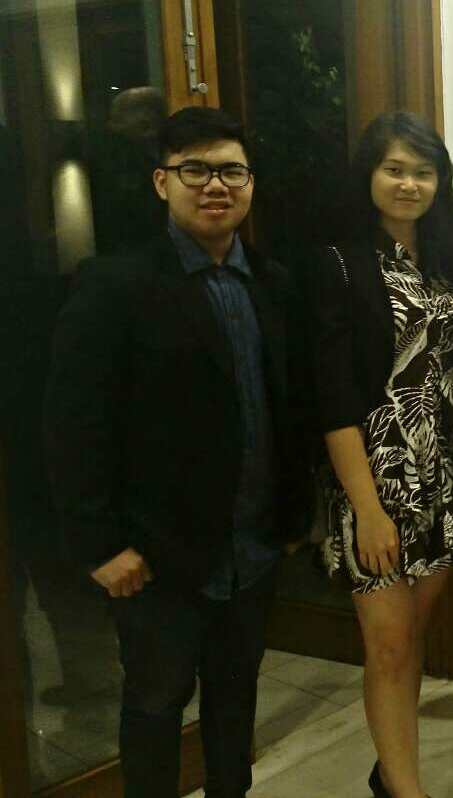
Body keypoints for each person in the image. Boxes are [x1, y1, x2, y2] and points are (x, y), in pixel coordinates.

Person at [44, 106, 309, 798]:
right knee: (156, 706)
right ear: (162, 181)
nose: (215, 185)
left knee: (235, 703)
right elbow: (72, 425)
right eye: (196, 170)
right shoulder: (116, 285)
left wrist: (291, 518)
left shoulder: (273, 283)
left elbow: (290, 410)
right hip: (156, 557)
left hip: (251, 549)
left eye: (231, 171)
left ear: (251, 183)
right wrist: (100, 545)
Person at [312, 111, 453, 798]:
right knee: (387, 644)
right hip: (374, 479)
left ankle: (392, 771)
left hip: (443, 474)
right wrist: (368, 510)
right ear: (369, 176)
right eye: (394, 170)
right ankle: (407, 791)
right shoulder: (339, 263)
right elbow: (332, 397)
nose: (409, 184)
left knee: (409, 639)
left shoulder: (450, 258)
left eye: (423, 172)